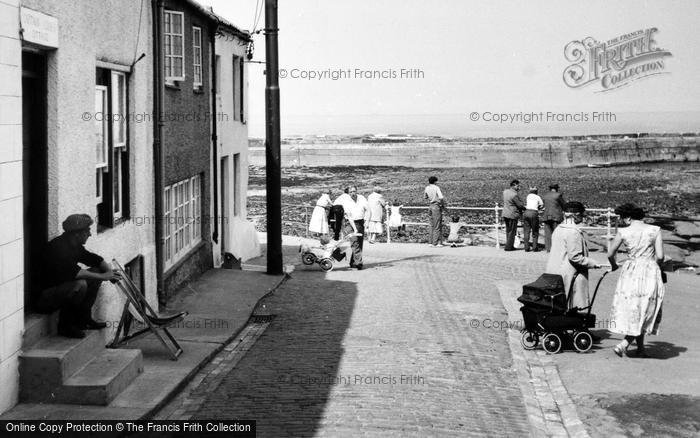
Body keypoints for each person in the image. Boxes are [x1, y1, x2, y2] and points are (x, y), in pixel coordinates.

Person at [34, 214, 122, 338]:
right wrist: (105, 277)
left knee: (97, 271)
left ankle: (84, 320)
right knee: (80, 284)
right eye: (87, 231)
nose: (90, 235)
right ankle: (66, 326)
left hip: (60, 288)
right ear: (76, 234)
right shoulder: (58, 248)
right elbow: (77, 273)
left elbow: (95, 259)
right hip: (43, 298)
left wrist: (109, 273)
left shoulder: (74, 245)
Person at [607, 203, 665, 358]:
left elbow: (610, 252)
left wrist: (614, 266)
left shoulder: (623, 231)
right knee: (646, 307)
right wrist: (654, 266)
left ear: (629, 218)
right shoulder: (655, 230)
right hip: (649, 270)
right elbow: (660, 256)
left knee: (635, 307)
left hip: (630, 271)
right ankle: (625, 344)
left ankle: (640, 349)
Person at [545, 202, 601, 310]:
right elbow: (575, 257)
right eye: (581, 215)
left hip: (555, 269)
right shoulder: (573, 232)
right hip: (569, 273)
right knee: (571, 303)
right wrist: (592, 263)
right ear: (576, 215)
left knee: (559, 303)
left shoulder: (559, 228)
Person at [334, 186, 369, 269]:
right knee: (354, 242)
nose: (353, 193)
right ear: (348, 193)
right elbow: (349, 217)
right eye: (351, 192)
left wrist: (367, 221)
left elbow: (368, 209)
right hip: (349, 223)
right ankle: (359, 263)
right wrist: (355, 229)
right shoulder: (346, 201)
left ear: (356, 191)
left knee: (359, 243)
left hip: (360, 222)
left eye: (354, 191)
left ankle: (353, 262)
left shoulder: (362, 198)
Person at [541, 183, 566, 252]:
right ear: (557, 188)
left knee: (548, 233)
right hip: (556, 216)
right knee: (557, 233)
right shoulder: (558, 195)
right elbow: (564, 205)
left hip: (546, 216)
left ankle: (548, 248)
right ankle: (556, 248)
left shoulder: (545, 196)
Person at [502, 179, 525, 251]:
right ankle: (509, 247)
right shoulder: (514, 195)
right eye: (518, 186)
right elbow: (520, 205)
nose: (519, 187)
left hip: (505, 213)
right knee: (512, 231)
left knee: (508, 230)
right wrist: (524, 208)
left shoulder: (505, 192)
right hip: (512, 214)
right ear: (514, 185)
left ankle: (509, 244)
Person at [424, 176, 446, 247]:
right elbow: (441, 197)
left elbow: (425, 197)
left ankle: (430, 242)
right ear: (435, 181)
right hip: (436, 206)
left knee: (431, 225)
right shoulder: (436, 188)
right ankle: (435, 243)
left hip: (430, 206)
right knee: (437, 225)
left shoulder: (427, 188)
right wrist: (442, 204)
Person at [522, 187, 544, 252]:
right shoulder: (538, 197)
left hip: (526, 212)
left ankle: (526, 247)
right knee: (535, 231)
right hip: (534, 213)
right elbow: (542, 205)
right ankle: (534, 247)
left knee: (526, 231)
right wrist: (539, 208)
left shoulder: (528, 196)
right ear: (536, 191)